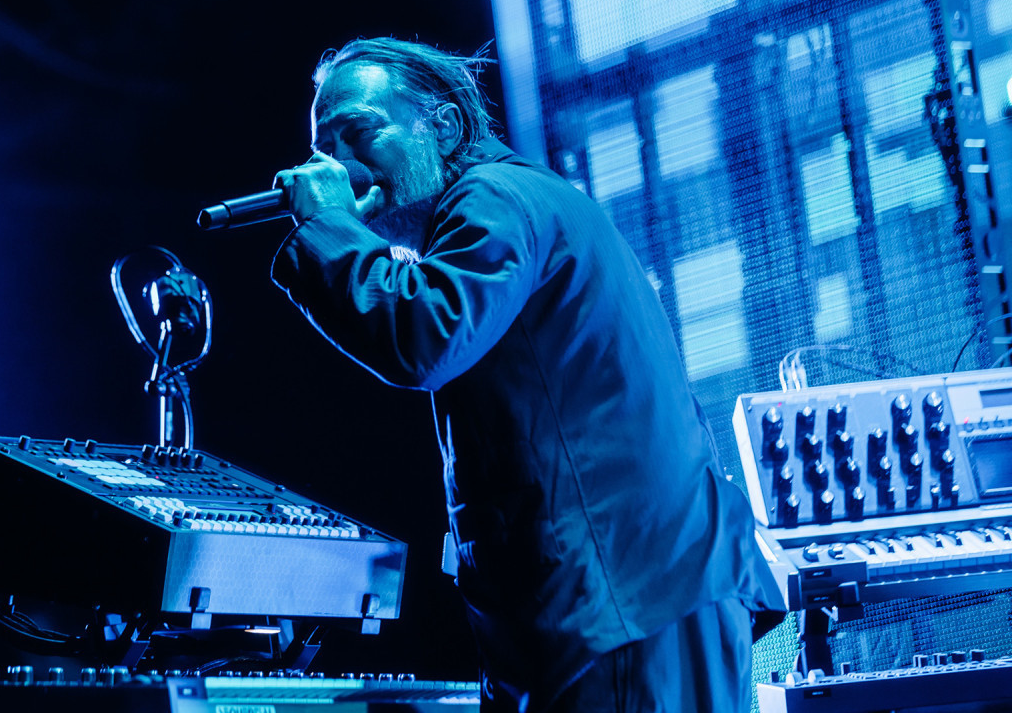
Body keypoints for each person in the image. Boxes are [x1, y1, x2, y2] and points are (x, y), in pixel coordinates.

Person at [270, 37, 784, 713]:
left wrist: (331, 227)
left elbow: (423, 335)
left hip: (622, 606)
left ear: (444, 126)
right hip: (632, 601)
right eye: (324, 150)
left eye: (358, 133)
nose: (338, 166)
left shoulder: (493, 199)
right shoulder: (514, 200)